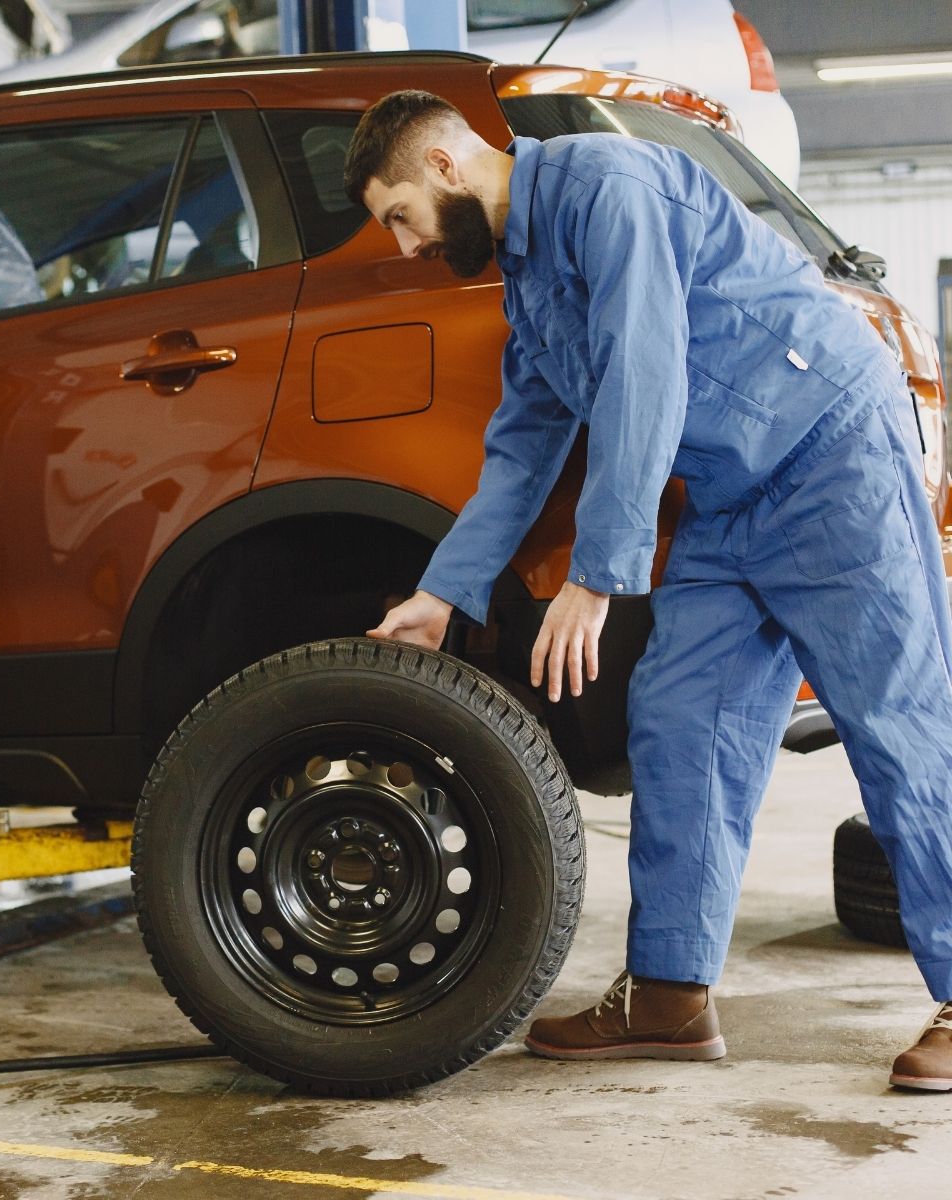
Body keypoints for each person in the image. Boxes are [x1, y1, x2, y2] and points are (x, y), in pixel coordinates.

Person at [343, 89, 952, 1090]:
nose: (405, 244)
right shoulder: (528, 277)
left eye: (400, 214)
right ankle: (670, 997)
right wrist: (442, 593)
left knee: (899, 723)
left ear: (447, 166)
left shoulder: (607, 188)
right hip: (729, 496)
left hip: (828, 454)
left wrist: (599, 576)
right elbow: (526, 443)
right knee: (680, 718)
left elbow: (646, 372)